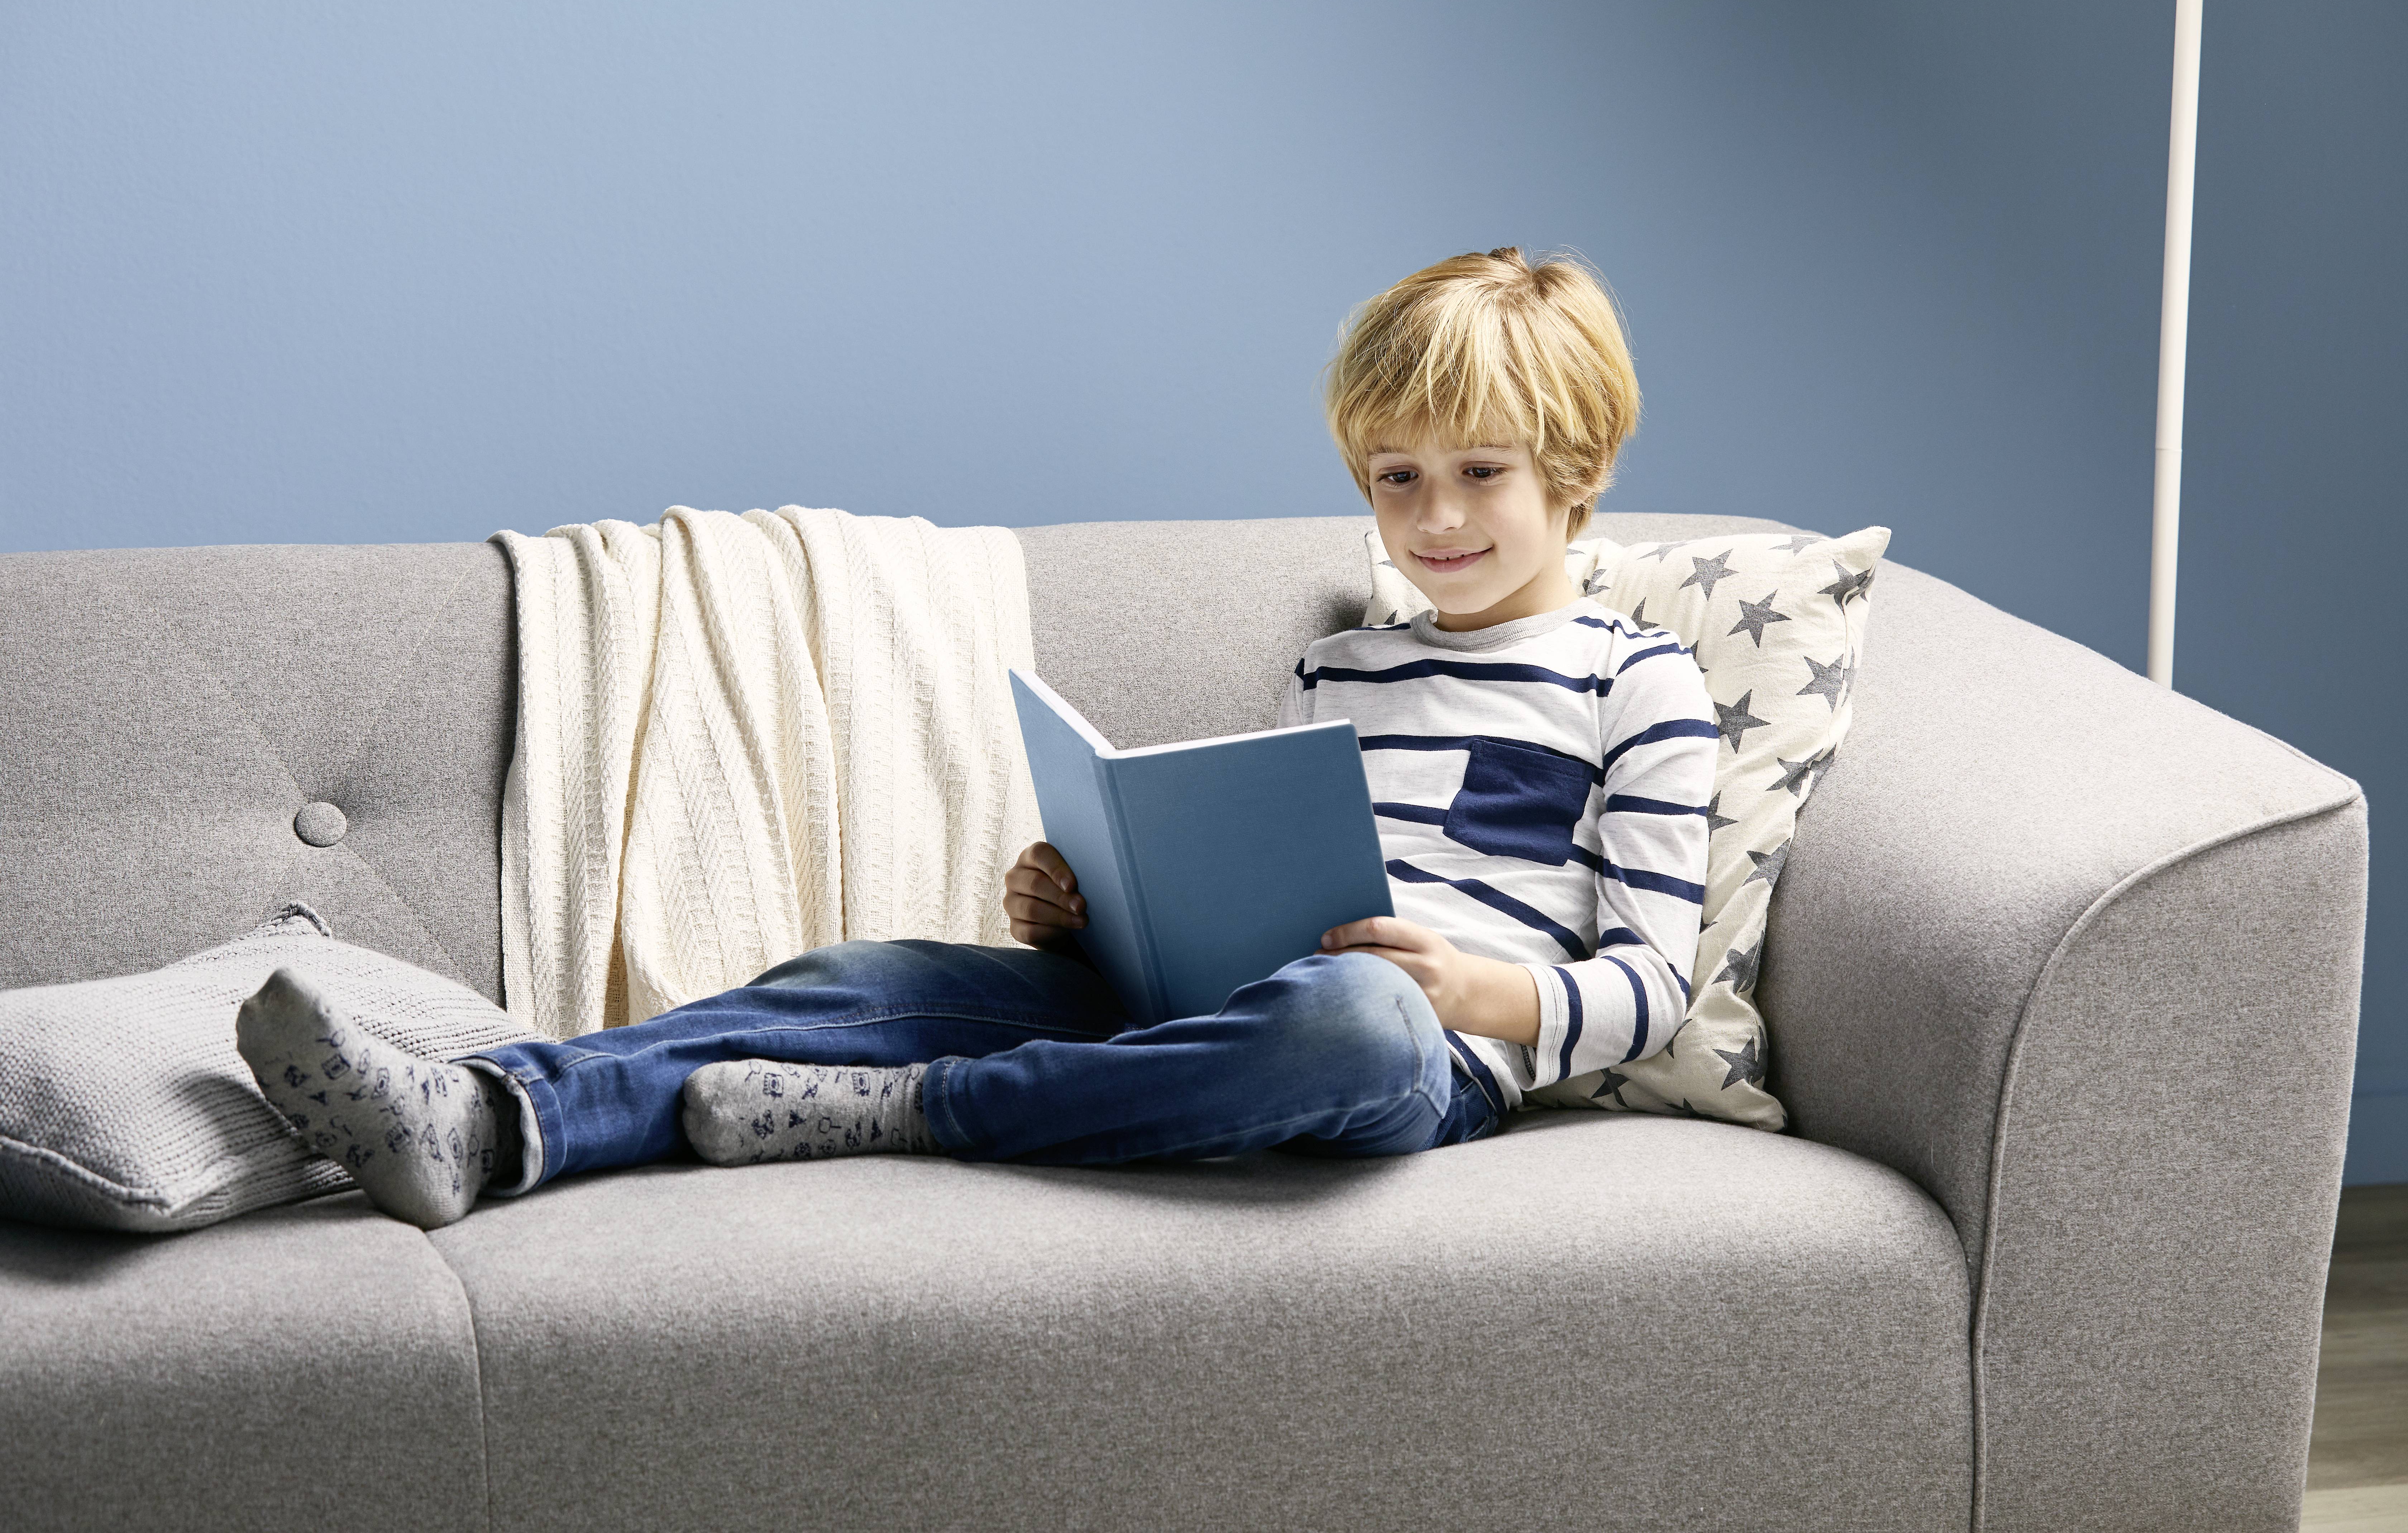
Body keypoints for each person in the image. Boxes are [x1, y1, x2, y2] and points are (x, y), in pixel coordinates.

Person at [234, 246, 1716, 1230]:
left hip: (1415, 1053)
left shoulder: (1634, 679)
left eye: (1479, 473)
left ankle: (915, 1114)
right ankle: (490, 1117)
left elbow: (1655, 984)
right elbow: (1246, 892)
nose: (1434, 518)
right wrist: (1093, 915)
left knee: (1356, 1014)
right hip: (1193, 1015)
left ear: (1578, 472)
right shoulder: (1339, 663)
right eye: (1396, 477)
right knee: (862, 974)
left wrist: (1485, 992)